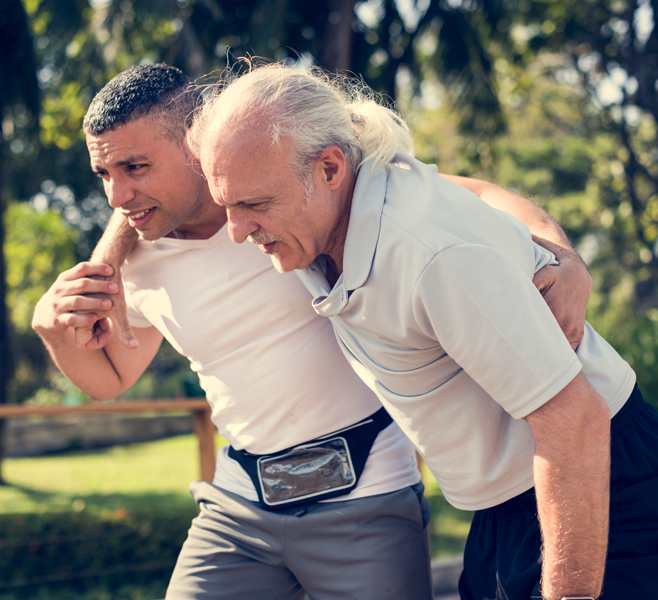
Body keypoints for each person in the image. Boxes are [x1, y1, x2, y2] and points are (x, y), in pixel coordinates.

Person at [32, 64, 590, 600]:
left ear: (194, 142)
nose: (115, 195)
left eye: (135, 168)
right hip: (240, 504)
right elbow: (110, 378)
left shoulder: (296, 191)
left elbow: (474, 196)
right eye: (104, 174)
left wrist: (561, 254)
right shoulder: (134, 259)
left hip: (369, 489)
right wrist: (55, 332)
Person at [189, 63, 658, 600]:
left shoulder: (430, 254)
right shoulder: (349, 203)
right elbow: (479, 190)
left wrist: (563, 258)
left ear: (330, 168)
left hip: (600, 479)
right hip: (509, 498)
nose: (238, 230)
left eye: (254, 205)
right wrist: (558, 247)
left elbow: (576, 421)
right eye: (228, 204)